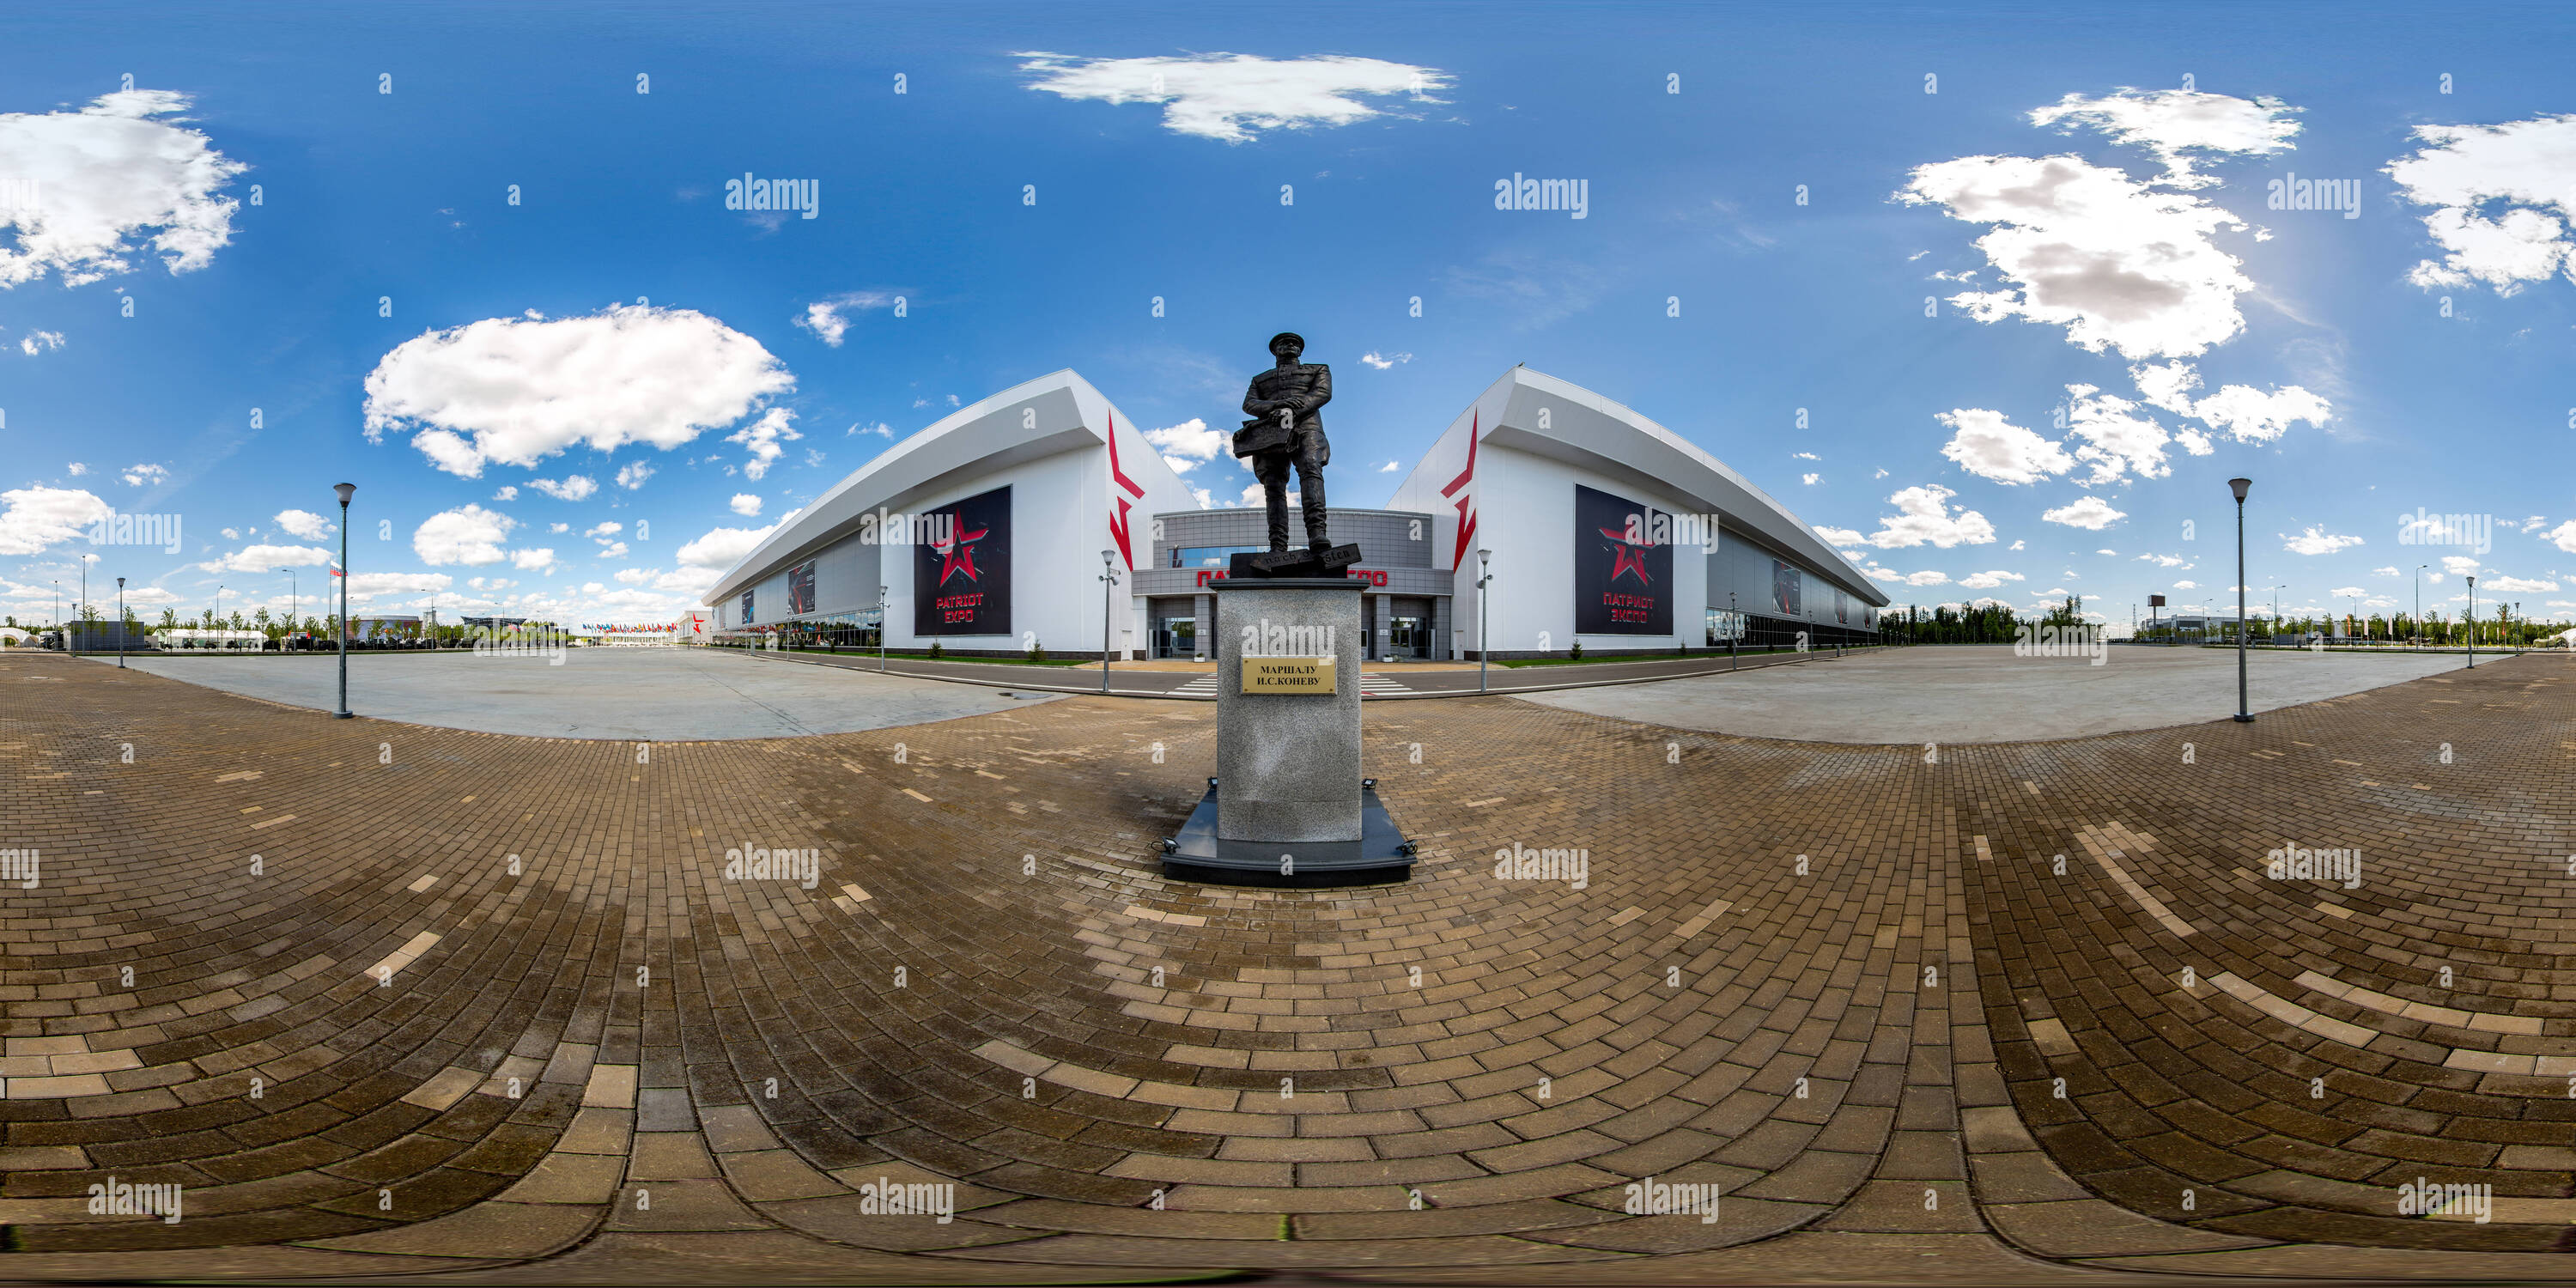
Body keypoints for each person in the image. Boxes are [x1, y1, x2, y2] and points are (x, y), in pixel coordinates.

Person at [1236, 331, 1332, 553]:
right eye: (1284, 343)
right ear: (1274, 350)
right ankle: (1278, 545)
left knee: (1311, 469)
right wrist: (1276, 406)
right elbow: (1249, 404)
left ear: (1300, 350)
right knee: (1273, 485)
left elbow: (1322, 393)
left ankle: (1317, 534)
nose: (1290, 345)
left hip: (1307, 426)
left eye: (1294, 343)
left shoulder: (1318, 369)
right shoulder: (1260, 379)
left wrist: (1290, 408)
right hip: (1271, 432)